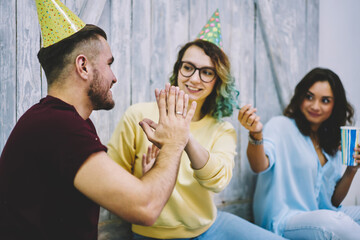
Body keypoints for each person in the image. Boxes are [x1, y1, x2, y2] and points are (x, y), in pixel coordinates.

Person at [0, 2, 196, 239]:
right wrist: (175, 142)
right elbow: (146, 208)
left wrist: (148, 178)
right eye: (109, 64)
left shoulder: (62, 121)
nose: (114, 77)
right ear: (83, 66)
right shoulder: (58, 127)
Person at [108, 34, 285, 240]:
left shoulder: (223, 130)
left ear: (217, 81)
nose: (193, 78)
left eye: (207, 72)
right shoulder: (138, 115)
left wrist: (184, 136)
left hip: (209, 227)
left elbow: (217, 182)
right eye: (188, 67)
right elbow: (111, 176)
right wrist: (143, 182)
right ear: (178, 70)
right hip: (154, 234)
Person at [238, 67, 360, 239]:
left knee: (340, 219)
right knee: (337, 224)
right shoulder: (281, 126)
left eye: (325, 100)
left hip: (321, 215)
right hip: (284, 220)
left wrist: (351, 170)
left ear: (335, 105)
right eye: (309, 97)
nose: (315, 106)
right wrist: (256, 134)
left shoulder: (331, 142)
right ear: (300, 96)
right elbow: (258, 166)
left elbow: (332, 202)